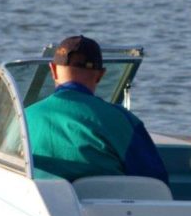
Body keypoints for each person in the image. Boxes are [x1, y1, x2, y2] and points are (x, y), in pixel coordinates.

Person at [26, 35, 169, 184]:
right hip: (110, 206)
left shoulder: (23, 118)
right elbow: (155, 183)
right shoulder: (123, 121)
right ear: (100, 75)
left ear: (53, 70)